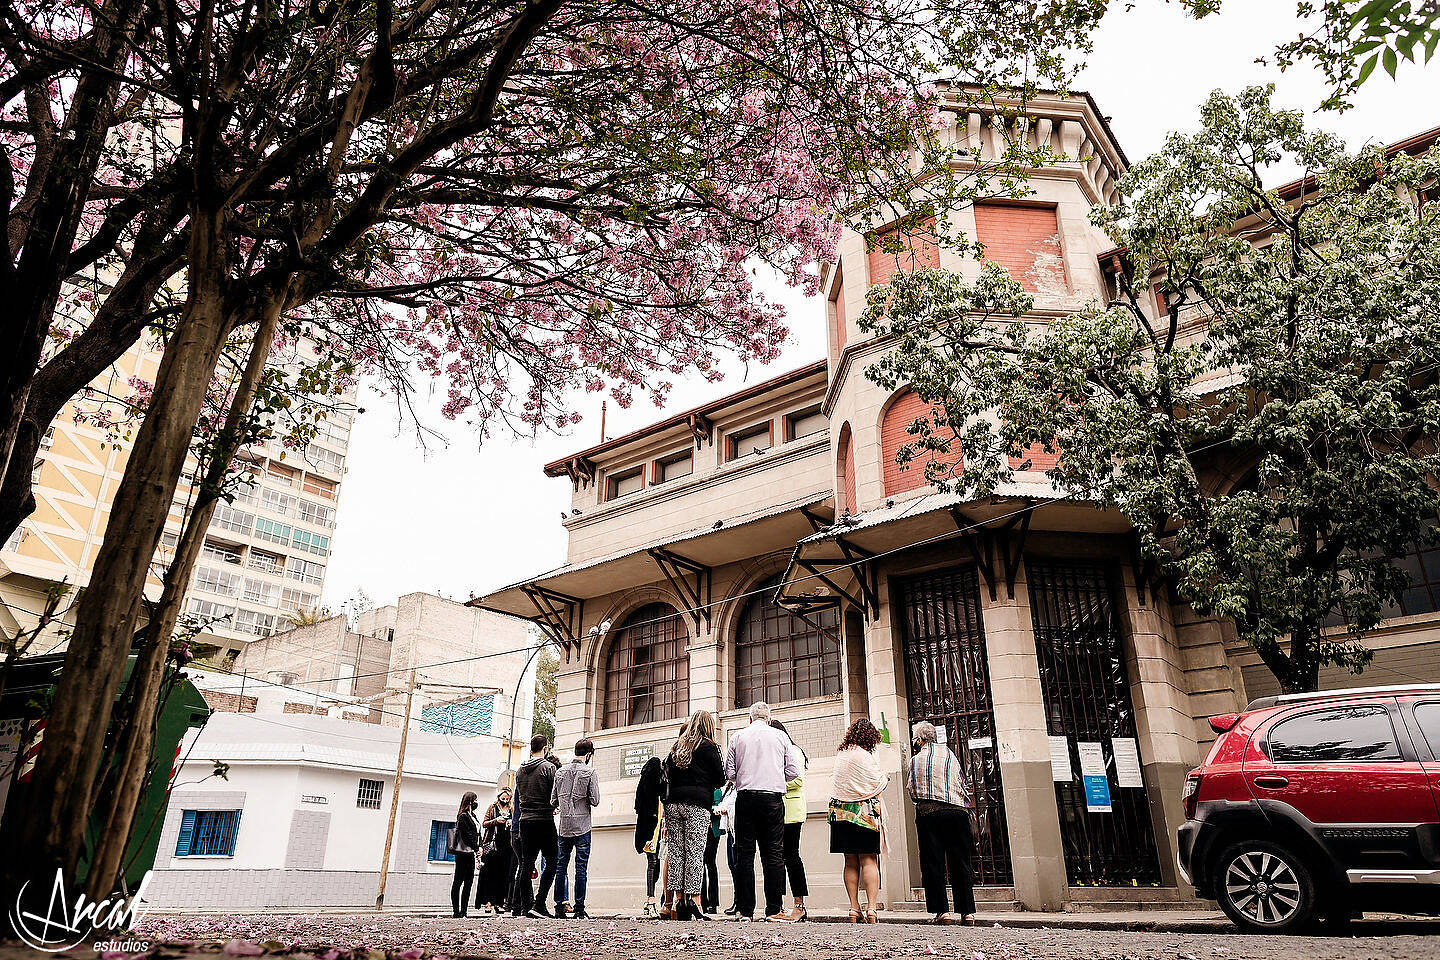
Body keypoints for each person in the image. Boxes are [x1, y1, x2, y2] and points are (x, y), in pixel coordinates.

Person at [723, 701, 798, 922]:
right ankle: (774, 909)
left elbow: (729, 772)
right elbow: (793, 770)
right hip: (772, 799)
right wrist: (774, 778)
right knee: (773, 853)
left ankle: (745, 911)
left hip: (745, 799)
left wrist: (745, 778)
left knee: (745, 854)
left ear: (750, 718)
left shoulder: (737, 737)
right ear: (768, 718)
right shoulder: (780, 737)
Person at [907, 721, 976, 926]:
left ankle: (942, 912)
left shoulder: (915, 759)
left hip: (929, 814)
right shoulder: (950, 755)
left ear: (919, 740)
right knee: (960, 862)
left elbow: (912, 790)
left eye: (914, 739)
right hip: (957, 813)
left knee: (933, 862)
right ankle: (967, 913)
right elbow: (962, 782)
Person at [662, 710, 725, 921]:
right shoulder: (709, 747)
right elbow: (720, 779)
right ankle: (695, 900)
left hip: (672, 806)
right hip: (697, 805)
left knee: (677, 852)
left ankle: (678, 900)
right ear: (708, 725)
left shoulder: (677, 746)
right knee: (695, 853)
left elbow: (667, 773)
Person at [829, 717, 890, 924]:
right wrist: (886, 777)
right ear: (870, 738)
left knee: (850, 862)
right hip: (863, 813)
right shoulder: (865, 756)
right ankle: (872, 908)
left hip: (840, 812)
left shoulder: (841, 755)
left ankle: (854, 908)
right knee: (869, 859)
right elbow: (876, 783)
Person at [553, 738, 601, 919]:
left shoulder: (560, 772)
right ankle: (579, 908)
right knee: (581, 868)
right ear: (588, 754)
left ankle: (559, 907)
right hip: (582, 827)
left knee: (561, 866)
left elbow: (553, 800)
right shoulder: (590, 772)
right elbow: (595, 800)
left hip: (564, 827)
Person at [514, 734, 560, 918]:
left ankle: (527, 905)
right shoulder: (549, 768)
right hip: (544, 819)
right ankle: (540, 903)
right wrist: (554, 806)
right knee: (553, 860)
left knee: (526, 863)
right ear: (545, 748)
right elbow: (554, 794)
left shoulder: (519, 771)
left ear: (530, 748)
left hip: (525, 821)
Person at [770, 719, 810, 922]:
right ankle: (782, 905)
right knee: (779, 858)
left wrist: (772, 780)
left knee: (792, 857)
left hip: (791, 812)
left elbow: (797, 780)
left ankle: (799, 904)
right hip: (778, 812)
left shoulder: (794, 751)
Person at [634, 754, 666, 919]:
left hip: (655, 831)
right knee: (653, 863)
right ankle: (651, 899)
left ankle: (653, 899)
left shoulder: (646, 790)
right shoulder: (654, 791)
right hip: (652, 832)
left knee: (655, 865)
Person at [478, 787, 513, 914]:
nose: (505, 800)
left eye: (507, 799)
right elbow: (484, 823)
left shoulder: (511, 808)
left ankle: (499, 902)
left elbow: (516, 823)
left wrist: (510, 822)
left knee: (503, 875)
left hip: (507, 846)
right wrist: (495, 821)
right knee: (490, 875)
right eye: (503, 798)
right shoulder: (492, 808)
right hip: (493, 845)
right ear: (499, 798)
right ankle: (488, 902)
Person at [451, 791, 481, 917]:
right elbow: (466, 835)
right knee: (458, 881)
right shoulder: (463, 816)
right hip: (463, 853)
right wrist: (476, 848)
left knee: (469, 882)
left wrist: (479, 847)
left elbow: (476, 833)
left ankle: (464, 911)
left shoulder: (472, 815)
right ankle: (456, 911)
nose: (476, 803)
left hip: (470, 854)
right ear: (469, 801)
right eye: (475, 800)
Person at [714, 783, 740, 915]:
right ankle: (737, 900)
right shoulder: (729, 787)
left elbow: (735, 805)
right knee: (732, 864)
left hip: (738, 829)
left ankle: (740, 901)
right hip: (730, 828)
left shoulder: (741, 785)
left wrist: (725, 809)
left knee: (738, 865)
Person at [701, 784, 723, 914]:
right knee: (702, 864)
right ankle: (703, 901)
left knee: (710, 863)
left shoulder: (716, 790)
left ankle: (713, 903)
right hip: (702, 829)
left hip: (712, 830)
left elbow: (717, 807)